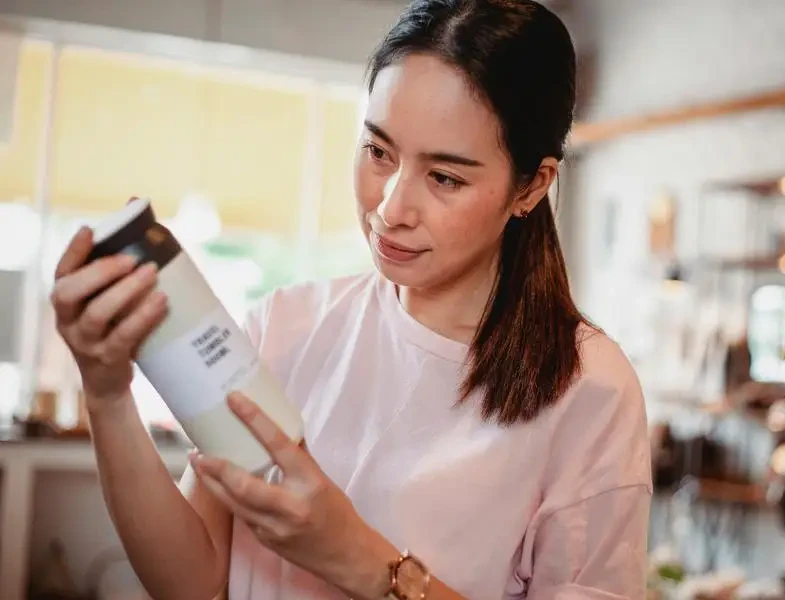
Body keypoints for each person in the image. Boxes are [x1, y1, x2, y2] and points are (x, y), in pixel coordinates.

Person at [50, 0, 652, 598]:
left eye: (444, 177)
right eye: (377, 151)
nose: (390, 208)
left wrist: (358, 558)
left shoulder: (589, 389)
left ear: (532, 186)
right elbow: (190, 581)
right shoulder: (285, 324)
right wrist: (107, 394)